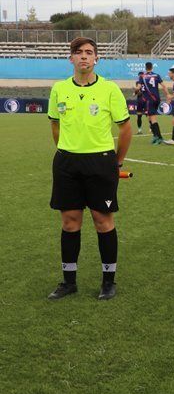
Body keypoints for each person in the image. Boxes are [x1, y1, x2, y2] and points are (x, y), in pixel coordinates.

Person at [46, 37, 132, 300]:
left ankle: (108, 281)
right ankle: (68, 281)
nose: (84, 56)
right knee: (70, 223)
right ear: (70, 58)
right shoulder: (59, 89)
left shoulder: (109, 90)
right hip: (67, 162)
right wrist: (67, 149)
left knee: (103, 221)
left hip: (101, 162)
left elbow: (125, 128)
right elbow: (55, 126)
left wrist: (115, 161)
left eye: (89, 52)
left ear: (96, 59)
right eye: (78, 52)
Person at [139, 61, 173, 144]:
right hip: (157, 99)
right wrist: (168, 95)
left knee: (152, 119)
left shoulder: (142, 76)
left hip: (149, 99)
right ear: (152, 67)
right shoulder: (156, 75)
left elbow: (139, 87)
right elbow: (164, 86)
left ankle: (159, 137)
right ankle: (155, 135)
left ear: (145, 67)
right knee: (150, 117)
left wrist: (136, 90)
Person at [134, 70, 147, 134]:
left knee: (140, 115)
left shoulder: (138, 82)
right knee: (149, 115)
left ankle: (139, 130)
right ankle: (151, 128)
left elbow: (138, 91)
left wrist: (135, 92)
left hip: (141, 100)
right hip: (145, 100)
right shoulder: (146, 81)